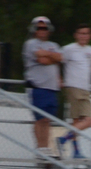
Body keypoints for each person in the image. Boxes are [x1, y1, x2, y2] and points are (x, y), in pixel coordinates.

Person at [57, 24, 91, 160]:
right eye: (81, 33)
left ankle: (75, 150)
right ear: (76, 35)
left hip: (85, 88)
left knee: (78, 122)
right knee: (87, 120)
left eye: (86, 33)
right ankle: (64, 139)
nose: (83, 36)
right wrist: (59, 78)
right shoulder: (68, 49)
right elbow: (57, 62)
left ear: (90, 36)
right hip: (74, 87)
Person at [22, 16, 62, 157]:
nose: (42, 30)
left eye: (44, 28)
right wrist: (52, 57)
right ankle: (40, 148)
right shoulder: (31, 43)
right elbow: (42, 59)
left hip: (52, 87)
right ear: (34, 29)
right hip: (38, 86)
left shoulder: (54, 44)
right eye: (39, 28)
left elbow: (60, 58)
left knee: (47, 120)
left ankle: (46, 147)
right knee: (40, 119)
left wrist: (48, 55)